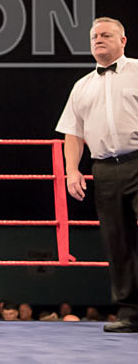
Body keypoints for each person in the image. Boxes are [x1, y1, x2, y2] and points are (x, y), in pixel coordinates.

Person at [56, 17, 138, 333]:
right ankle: (131, 312)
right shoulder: (82, 86)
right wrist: (72, 171)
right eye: (94, 36)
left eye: (106, 34)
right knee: (117, 241)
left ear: (123, 41)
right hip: (104, 168)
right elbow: (73, 134)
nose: (99, 39)